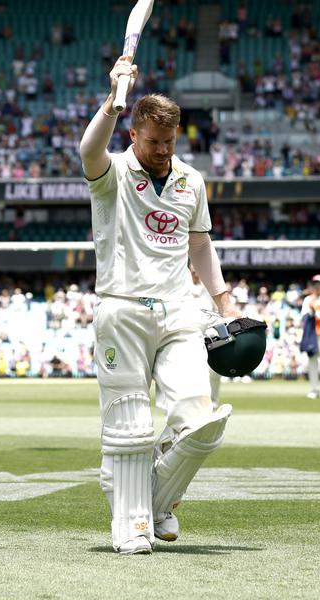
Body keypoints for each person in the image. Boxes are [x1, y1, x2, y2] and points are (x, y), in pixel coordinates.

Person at [78, 55, 240, 555]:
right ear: (134, 134)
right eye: (152, 142)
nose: (162, 150)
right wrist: (112, 97)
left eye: (169, 142)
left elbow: (200, 244)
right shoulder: (114, 173)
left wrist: (224, 300)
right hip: (122, 307)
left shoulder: (192, 181)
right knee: (129, 429)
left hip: (179, 311)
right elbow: (88, 150)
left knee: (201, 420)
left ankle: (153, 500)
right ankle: (133, 525)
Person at [187, 263, 222, 409]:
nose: (196, 272)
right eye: (193, 269)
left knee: (214, 370)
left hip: (209, 332)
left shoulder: (209, 286)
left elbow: (217, 307)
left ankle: (213, 403)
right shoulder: (182, 285)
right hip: (188, 332)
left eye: (198, 269)